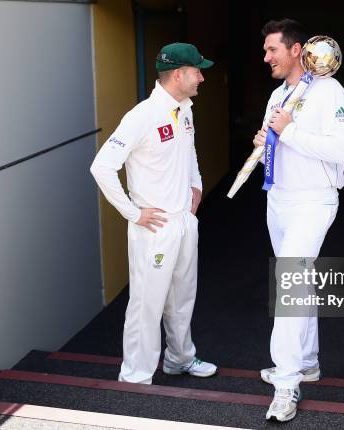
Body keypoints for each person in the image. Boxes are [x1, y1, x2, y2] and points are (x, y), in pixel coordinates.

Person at [90, 42, 217, 385]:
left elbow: (189, 156)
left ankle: (179, 359)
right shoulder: (142, 116)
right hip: (155, 227)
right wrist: (133, 213)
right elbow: (101, 167)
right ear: (178, 74)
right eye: (196, 72)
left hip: (183, 222)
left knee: (182, 297)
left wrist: (197, 187)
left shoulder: (185, 109)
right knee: (147, 304)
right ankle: (135, 376)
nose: (202, 78)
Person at [253, 19, 344, 422]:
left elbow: (342, 151)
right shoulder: (278, 93)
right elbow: (275, 140)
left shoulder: (330, 91)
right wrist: (265, 142)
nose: (266, 57)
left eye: (271, 50)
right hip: (278, 200)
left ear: (296, 50)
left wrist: (289, 131)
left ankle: (287, 383)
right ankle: (307, 362)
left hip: (314, 203)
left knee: (289, 286)